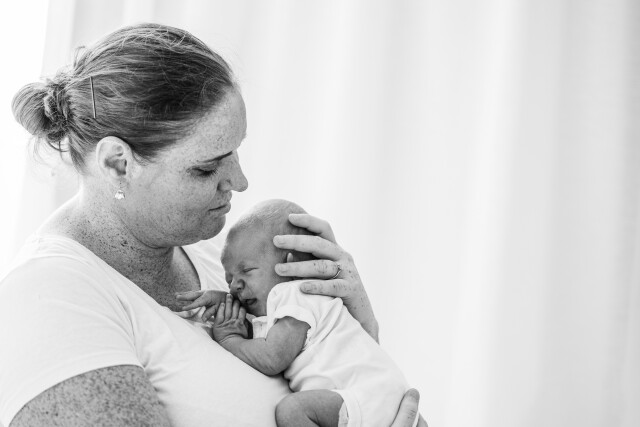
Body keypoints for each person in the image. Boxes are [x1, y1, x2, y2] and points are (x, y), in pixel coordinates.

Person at [0, 23, 426, 427]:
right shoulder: (50, 301)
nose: (240, 182)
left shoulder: (220, 261)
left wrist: (353, 337)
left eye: (236, 152)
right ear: (118, 163)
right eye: (206, 168)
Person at [177, 199, 413, 427]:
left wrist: (230, 339)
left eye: (246, 271)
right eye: (229, 279)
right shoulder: (282, 307)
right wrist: (224, 302)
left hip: (370, 395)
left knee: (291, 412)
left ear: (290, 264)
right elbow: (259, 331)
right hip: (376, 395)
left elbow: (272, 357)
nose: (235, 286)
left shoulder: (297, 294)